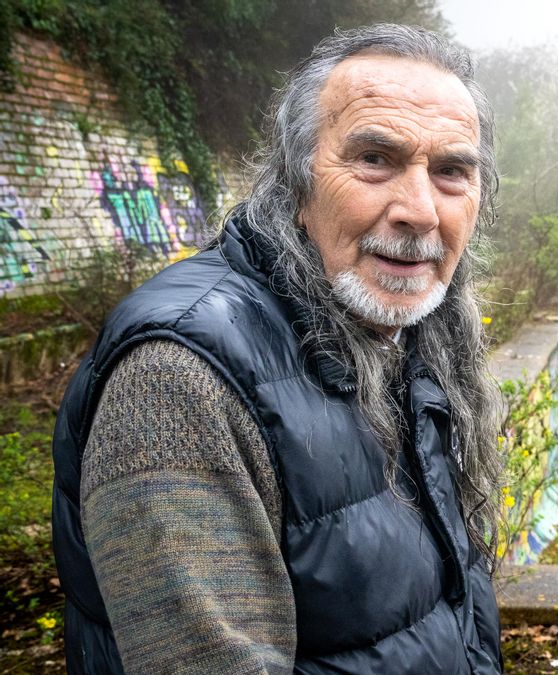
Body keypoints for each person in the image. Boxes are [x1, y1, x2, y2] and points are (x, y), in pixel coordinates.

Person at [51, 24, 505, 674]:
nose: (420, 209)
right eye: (375, 158)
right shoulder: (180, 376)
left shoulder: (408, 327)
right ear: (296, 187)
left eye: (452, 171)